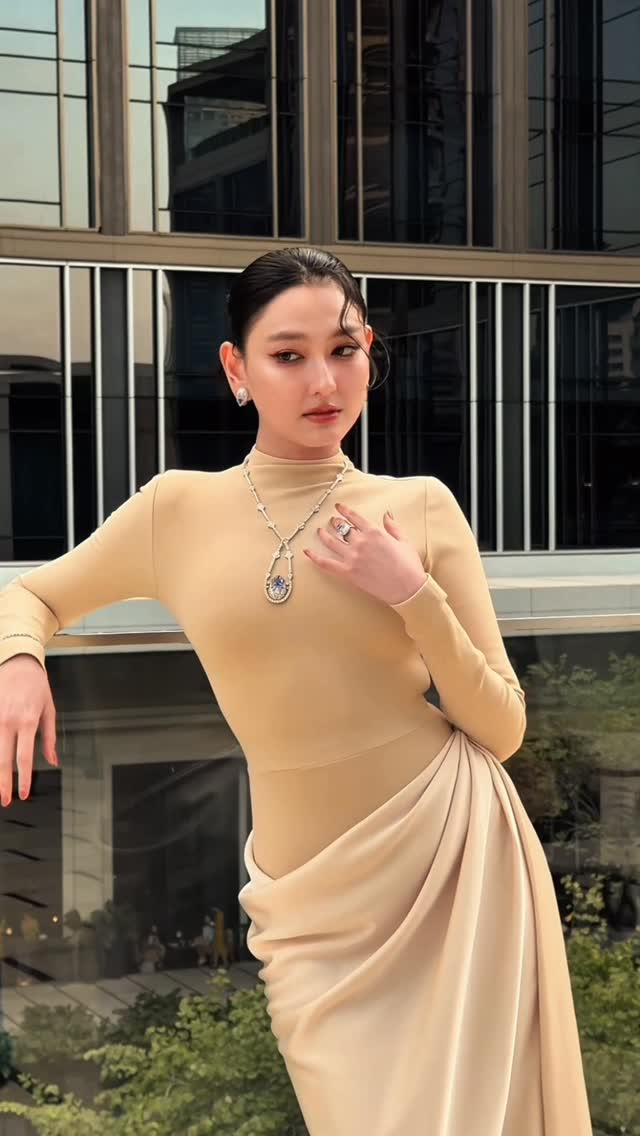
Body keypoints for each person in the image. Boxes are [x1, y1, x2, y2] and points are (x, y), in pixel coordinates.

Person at [0, 247, 592, 1134]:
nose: (324, 381)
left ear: (369, 355)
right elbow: (32, 594)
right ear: (236, 369)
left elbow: (502, 727)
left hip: (451, 866)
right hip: (308, 910)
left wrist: (412, 593)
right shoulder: (176, 510)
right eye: (288, 355)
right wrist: (19, 664)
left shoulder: (421, 506)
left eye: (345, 349)